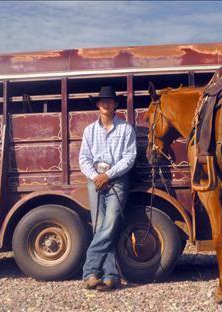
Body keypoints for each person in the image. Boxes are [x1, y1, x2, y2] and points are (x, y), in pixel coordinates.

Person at [79, 86, 137, 291]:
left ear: (115, 105)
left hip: (117, 180)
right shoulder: (89, 130)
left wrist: (108, 175)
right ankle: (110, 276)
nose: (106, 104)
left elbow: (129, 158)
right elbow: (84, 159)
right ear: (98, 104)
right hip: (95, 180)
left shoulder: (125, 129)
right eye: (103, 101)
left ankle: (90, 271)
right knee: (100, 226)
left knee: (110, 224)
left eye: (110, 101)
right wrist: (96, 177)